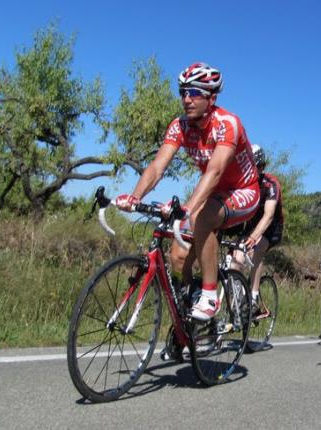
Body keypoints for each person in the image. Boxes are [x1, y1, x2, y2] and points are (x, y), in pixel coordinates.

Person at [115, 62, 260, 321]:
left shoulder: (227, 124)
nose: (186, 99)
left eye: (194, 92)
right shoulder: (179, 126)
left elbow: (215, 171)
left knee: (200, 217)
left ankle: (209, 296)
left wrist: (188, 209)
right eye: (182, 92)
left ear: (211, 97)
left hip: (243, 191)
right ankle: (186, 325)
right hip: (213, 193)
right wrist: (135, 197)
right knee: (178, 257)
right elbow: (158, 166)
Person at [230, 144, 283, 312]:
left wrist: (253, 239)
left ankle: (253, 297)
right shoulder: (243, 184)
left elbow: (268, 216)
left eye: (257, 167)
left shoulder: (271, 184)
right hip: (251, 224)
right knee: (235, 258)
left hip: (271, 227)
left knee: (256, 249)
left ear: (262, 166)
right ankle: (237, 298)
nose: (253, 172)